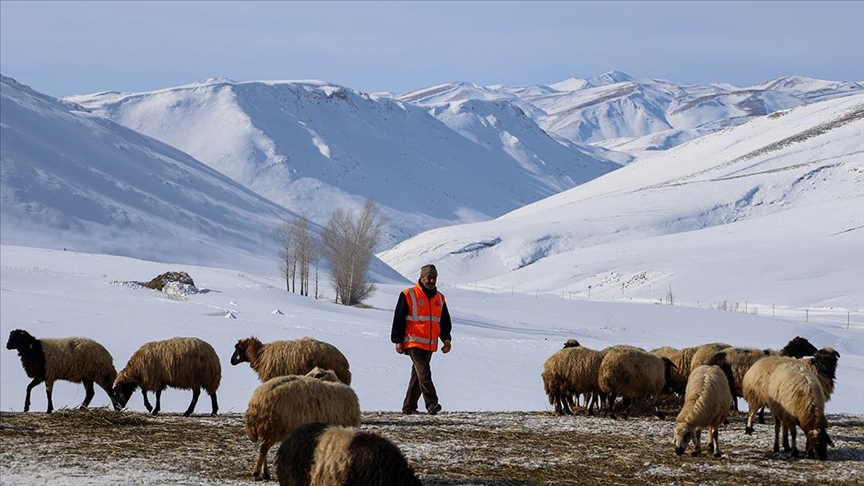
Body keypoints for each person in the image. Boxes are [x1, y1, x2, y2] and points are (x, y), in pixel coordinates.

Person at [391, 263, 452, 415]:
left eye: (434, 278)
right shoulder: (408, 294)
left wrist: (446, 340)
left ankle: (409, 407)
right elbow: (398, 318)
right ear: (422, 278)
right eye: (429, 278)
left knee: (418, 376)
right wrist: (398, 340)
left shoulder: (440, 298)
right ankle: (432, 403)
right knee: (424, 373)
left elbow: (444, 321)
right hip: (412, 341)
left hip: (430, 344)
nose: (432, 281)